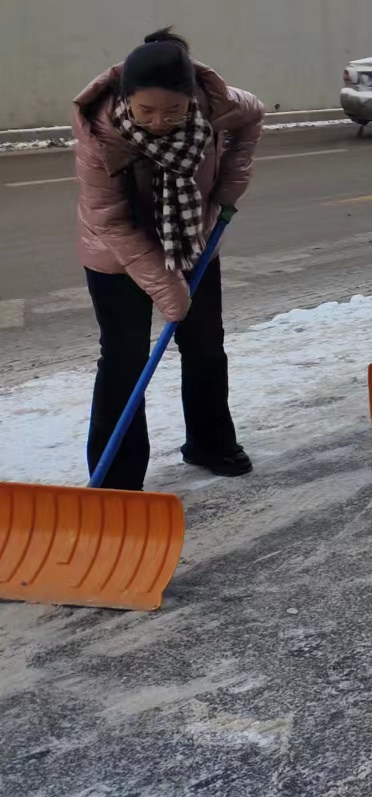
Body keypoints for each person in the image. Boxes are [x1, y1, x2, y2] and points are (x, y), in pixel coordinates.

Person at [74, 29, 265, 489]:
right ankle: (117, 481)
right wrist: (166, 286)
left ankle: (209, 441)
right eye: (146, 111)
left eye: (173, 111)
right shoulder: (100, 134)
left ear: (192, 99)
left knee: (205, 347)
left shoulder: (215, 105)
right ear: (126, 99)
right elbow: (111, 220)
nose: (159, 121)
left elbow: (253, 115)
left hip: (193, 241)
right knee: (123, 360)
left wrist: (230, 185)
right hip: (116, 255)